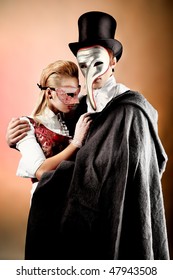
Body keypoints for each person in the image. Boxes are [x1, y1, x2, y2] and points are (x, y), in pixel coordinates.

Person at [6, 11, 169, 260]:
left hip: (117, 208)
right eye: (83, 66)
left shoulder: (131, 110)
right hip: (78, 216)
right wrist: (17, 137)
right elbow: (47, 128)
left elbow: (135, 167)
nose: (91, 73)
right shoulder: (77, 104)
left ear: (113, 61)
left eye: (98, 64)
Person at [9, 60, 91, 197]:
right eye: (69, 94)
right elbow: (41, 172)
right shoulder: (26, 125)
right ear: (49, 93)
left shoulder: (69, 115)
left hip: (74, 202)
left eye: (76, 92)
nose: (75, 100)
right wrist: (76, 143)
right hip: (45, 204)